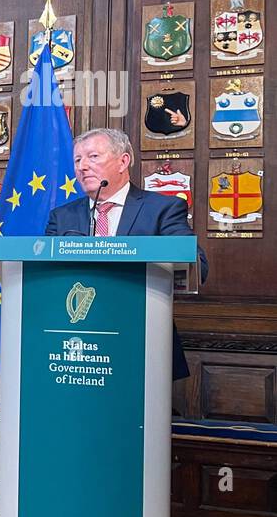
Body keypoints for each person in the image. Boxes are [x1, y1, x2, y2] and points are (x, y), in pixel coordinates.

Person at [46, 127, 207, 380]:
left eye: (93, 157)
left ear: (123, 161)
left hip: (142, 340)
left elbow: (196, 263)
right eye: (77, 160)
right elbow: (46, 273)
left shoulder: (162, 208)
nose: (82, 166)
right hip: (77, 347)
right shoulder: (62, 216)